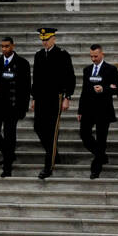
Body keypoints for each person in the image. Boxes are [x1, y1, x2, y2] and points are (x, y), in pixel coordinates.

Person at [0, 36, 31, 178]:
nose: (4, 49)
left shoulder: (22, 63)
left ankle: (7, 166)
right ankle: (9, 154)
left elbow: (26, 87)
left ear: (13, 46)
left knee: (10, 135)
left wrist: (23, 107)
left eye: (7, 46)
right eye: (2, 46)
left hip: (12, 106)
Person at [31, 26, 75, 179]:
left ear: (53, 38)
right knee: (38, 127)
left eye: (47, 39)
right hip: (41, 97)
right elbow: (36, 78)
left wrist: (67, 97)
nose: (44, 42)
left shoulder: (62, 55)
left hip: (55, 97)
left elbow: (70, 76)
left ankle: (48, 167)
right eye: (42, 40)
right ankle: (54, 153)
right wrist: (34, 97)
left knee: (51, 131)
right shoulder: (38, 55)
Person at [77, 45, 118, 179]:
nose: (93, 59)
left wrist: (104, 89)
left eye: (95, 56)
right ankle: (101, 155)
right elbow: (84, 91)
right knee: (84, 135)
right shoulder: (87, 70)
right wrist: (80, 110)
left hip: (103, 110)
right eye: (91, 56)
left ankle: (96, 169)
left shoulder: (111, 69)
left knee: (101, 139)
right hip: (88, 109)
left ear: (102, 54)